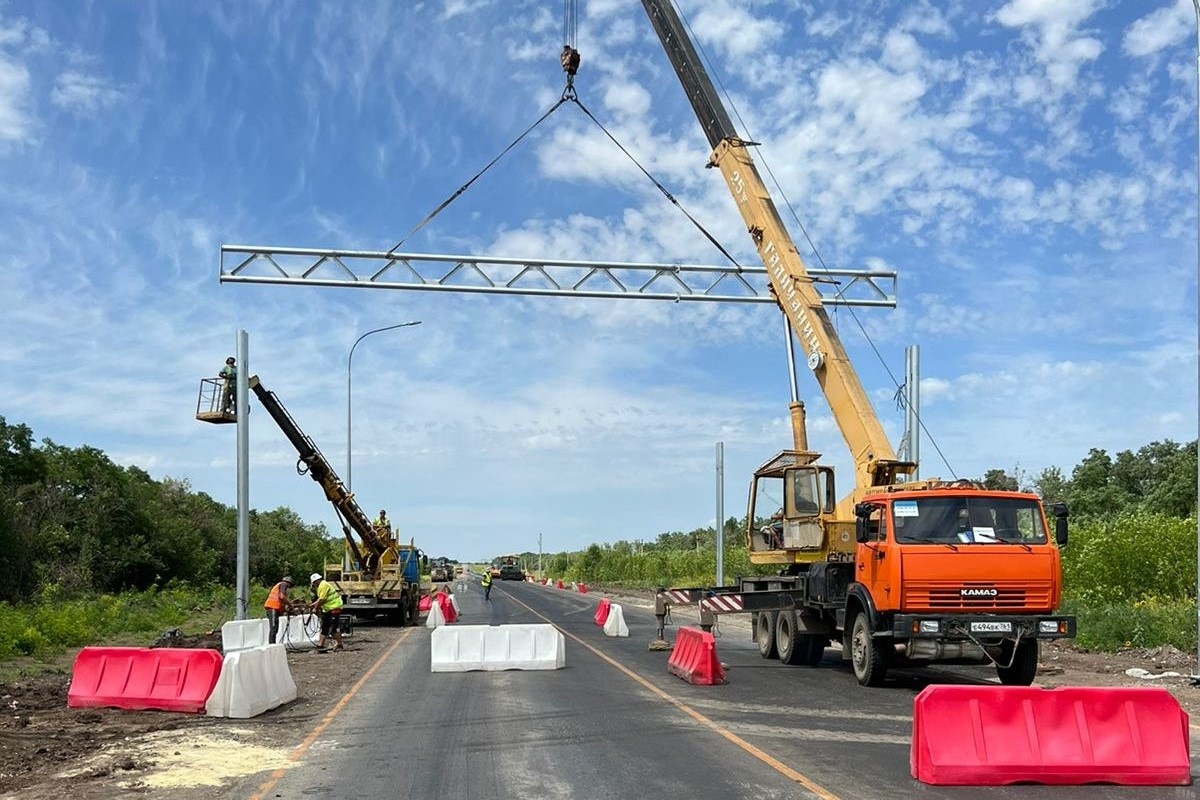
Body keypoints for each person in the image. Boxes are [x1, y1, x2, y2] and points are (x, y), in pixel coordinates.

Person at [307, 572, 344, 651]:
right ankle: (320, 645)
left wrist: (315, 608)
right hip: (328, 609)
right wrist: (313, 604)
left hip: (335, 607)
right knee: (325, 626)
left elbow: (322, 599)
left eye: (314, 583)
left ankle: (339, 644)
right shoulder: (321, 586)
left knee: (334, 627)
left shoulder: (323, 585)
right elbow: (320, 599)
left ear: (316, 581)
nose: (314, 584)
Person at [263, 575, 293, 645]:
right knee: (273, 627)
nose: (288, 587)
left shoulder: (280, 586)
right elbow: (282, 597)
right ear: (288, 583)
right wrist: (290, 605)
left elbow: (280, 602)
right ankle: (272, 645)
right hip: (272, 607)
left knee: (275, 628)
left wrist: (286, 610)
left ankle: (273, 644)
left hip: (273, 608)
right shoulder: (283, 584)